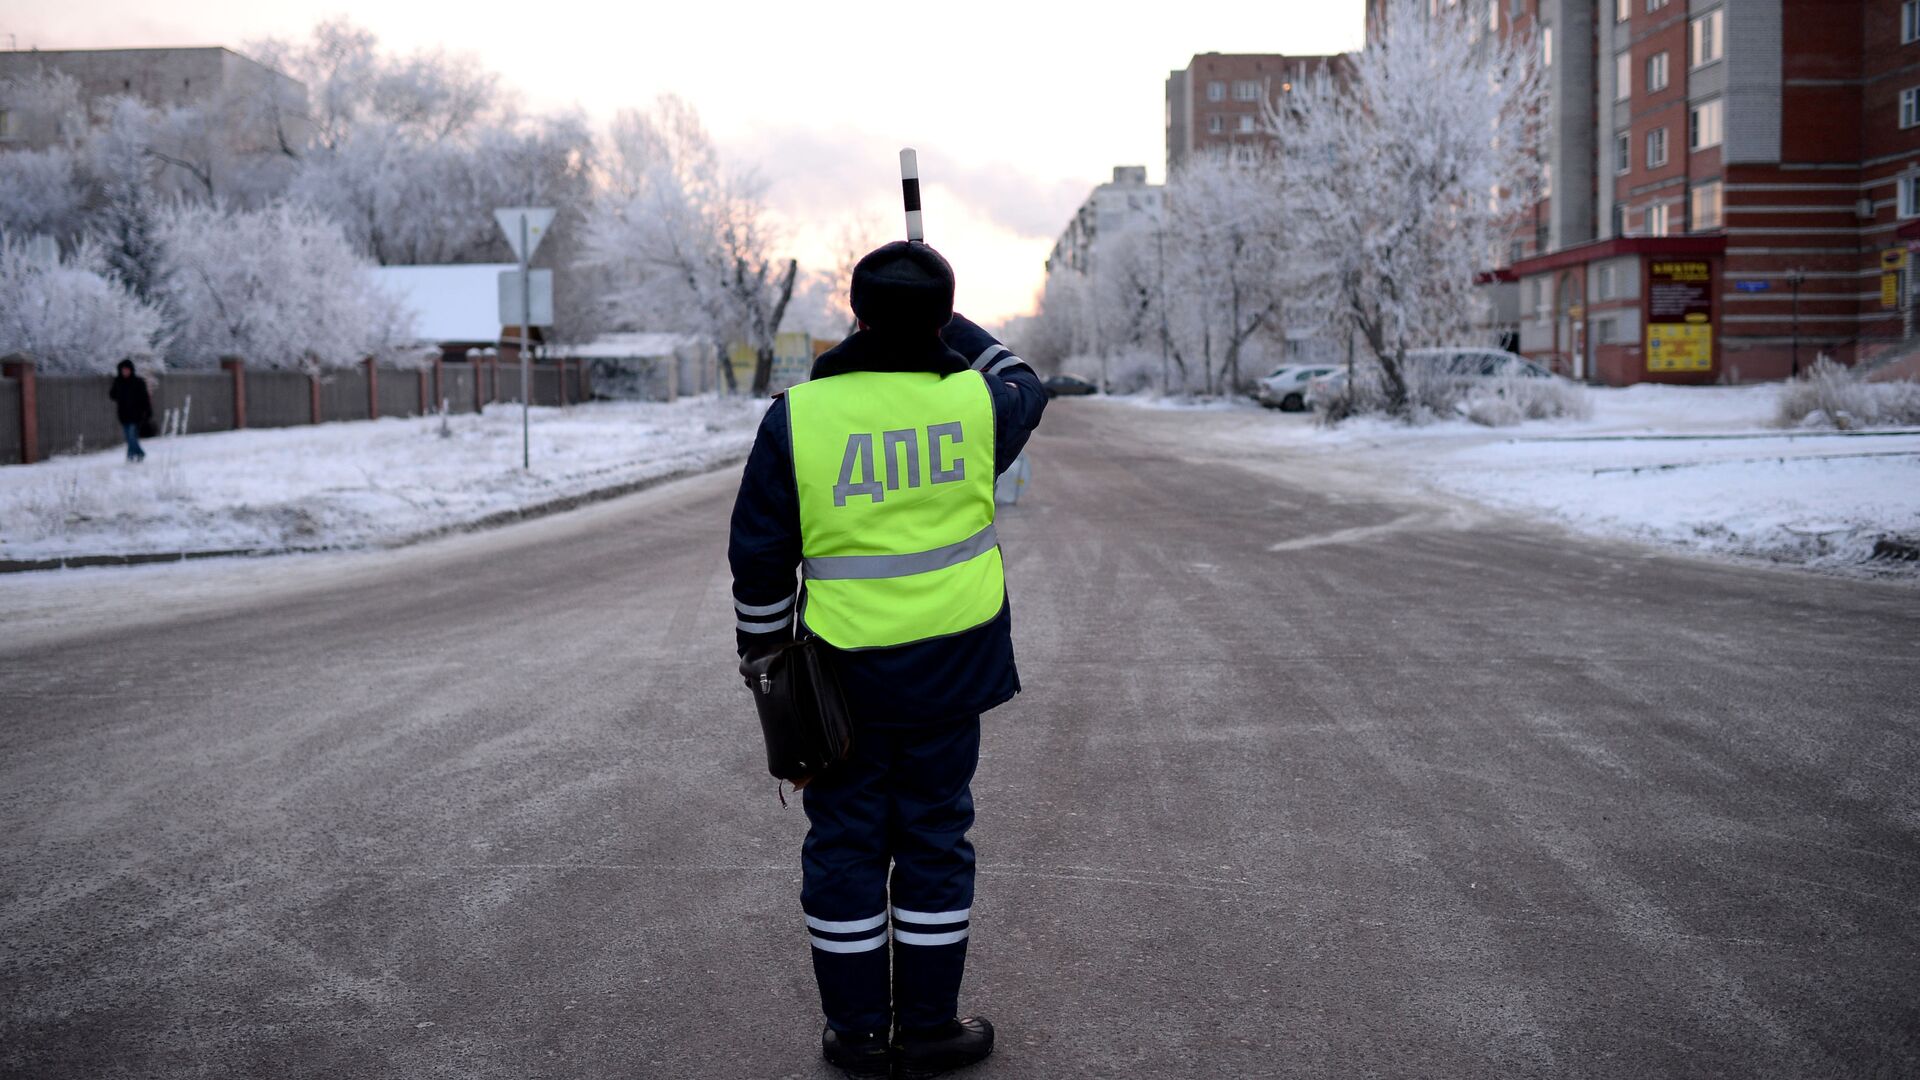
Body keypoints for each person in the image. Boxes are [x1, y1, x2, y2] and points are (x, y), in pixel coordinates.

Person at [728, 241, 1047, 1079]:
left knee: (845, 849)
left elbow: (760, 560)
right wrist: (948, 326)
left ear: (856, 317)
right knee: (937, 842)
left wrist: (763, 657)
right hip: (950, 677)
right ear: (942, 319)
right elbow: (1024, 375)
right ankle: (931, 1028)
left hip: (842, 688)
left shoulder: (799, 417)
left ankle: (860, 1035)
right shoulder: (980, 407)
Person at [108, 359, 153, 462]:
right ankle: (136, 455)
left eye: (127, 370)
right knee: (129, 438)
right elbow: (112, 395)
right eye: (123, 370)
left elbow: (145, 398)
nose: (125, 372)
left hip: (136, 414)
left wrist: (147, 411)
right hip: (123, 415)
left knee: (132, 436)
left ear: (131, 370)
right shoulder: (118, 382)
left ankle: (134, 456)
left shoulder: (138, 382)